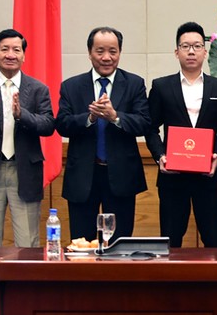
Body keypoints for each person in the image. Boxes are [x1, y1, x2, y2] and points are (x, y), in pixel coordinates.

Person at [56, 27, 150, 242]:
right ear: (89, 53)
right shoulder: (71, 86)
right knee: (81, 244)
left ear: (120, 52)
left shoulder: (134, 84)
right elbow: (61, 124)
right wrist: (89, 118)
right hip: (82, 176)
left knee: (119, 244)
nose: (106, 57)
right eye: (100, 51)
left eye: (113, 51)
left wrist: (115, 117)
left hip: (121, 176)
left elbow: (144, 123)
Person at [145, 22, 217, 247]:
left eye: (196, 46)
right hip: (173, 177)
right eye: (185, 46)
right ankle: (170, 283)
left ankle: (213, 283)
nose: (191, 51)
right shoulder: (162, 86)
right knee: (171, 241)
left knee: (213, 240)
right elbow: (150, 127)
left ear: (205, 51)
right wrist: (160, 156)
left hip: (209, 177)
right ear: (176, 52)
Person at [0, 29, 55, 247]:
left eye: (16, 50)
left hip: (25, 171)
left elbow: (48, 126)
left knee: (28, 242)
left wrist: (22, 115)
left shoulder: (38, 89)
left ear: (24, 55)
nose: (10, 54)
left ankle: (28, 282)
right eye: (4, 49)